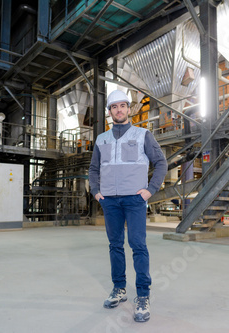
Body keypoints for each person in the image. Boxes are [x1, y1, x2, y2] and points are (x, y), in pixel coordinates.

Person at [88, 89, 167, 322]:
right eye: (114, 107)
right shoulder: (101, 139)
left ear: (129, 109)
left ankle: (142, 295)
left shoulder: (143, 135)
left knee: (138, 245)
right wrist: (96, 191)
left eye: (122, 106)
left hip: (134, 200)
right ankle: (119, 289)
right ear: (109, 112)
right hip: (109, 200)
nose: (118, 110)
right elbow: (94, 169)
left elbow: (160, 163)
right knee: (115, 245)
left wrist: (150, 190)